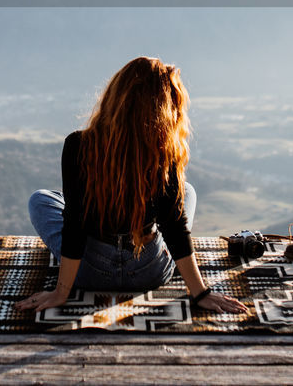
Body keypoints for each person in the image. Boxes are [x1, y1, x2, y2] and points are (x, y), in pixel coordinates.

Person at [16, 56, 247, 314]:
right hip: (148, 273)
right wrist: (200, 292)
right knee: (187, 192)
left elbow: (75, 224)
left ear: (116, 95)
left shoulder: (78, 144)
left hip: (89, 273)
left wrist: (62, 292)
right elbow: (174, 227)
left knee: (42, 199)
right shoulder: (164, 150)